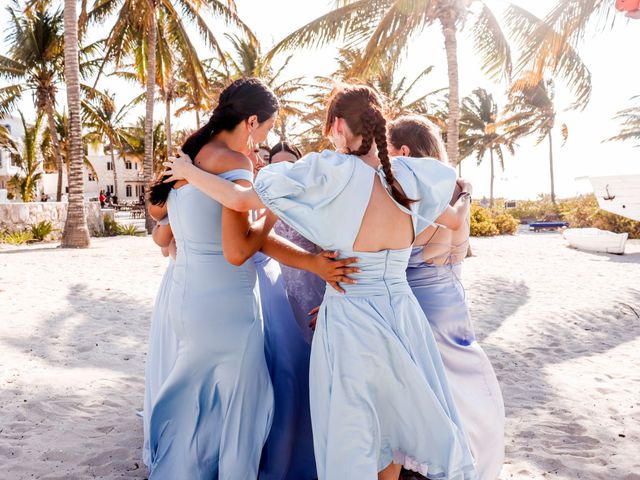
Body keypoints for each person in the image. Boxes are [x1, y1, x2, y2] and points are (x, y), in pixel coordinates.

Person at [163, 83, 478, 480]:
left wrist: (190, 172)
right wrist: (465, 194)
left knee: (355, 436)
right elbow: (453, 218)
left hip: (349, 320)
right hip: (401, 316)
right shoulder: (411, 176)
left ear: (338, 126)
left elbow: (240, 201)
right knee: (394, 426)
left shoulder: (330, 172)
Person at [146, 78, 358, 480]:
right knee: (243, 415)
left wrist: (312, 263)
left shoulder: (194, 154)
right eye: (267, 129)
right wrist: (275, 211)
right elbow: (241, 249)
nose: (265, 139)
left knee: (197, 408)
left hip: (186, 303)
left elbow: (160, 212)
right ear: (252, 121)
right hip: (229, 308)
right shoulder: (235, 162)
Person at [388, 115, 505, 480]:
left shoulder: (414, 194)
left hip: (420, 301)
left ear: (404, 151)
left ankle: (430, 463)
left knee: (424, 388)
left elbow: (398, 252)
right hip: (452, 295)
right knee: (462, 381)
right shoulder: (458, 187)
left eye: (388, 152)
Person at [141, 218, 178, 468]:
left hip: (180, 280)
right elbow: (164, 245)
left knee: (172, 360)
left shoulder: (177, 184)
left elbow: (164, 246)